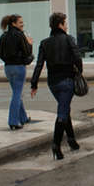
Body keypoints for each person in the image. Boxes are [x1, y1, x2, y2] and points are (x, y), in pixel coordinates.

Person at [30, 12, 83, 159]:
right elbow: (77, 58)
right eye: (65, 23)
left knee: (64, 108)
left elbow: (39, 65)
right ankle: (56, 145)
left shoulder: (44, 43)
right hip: (67, 80)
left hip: (52, 82)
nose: (67, 26)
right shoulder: (69, 39)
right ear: (60, 25)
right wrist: (79, 72)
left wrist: (34, 83)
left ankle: (71, 140)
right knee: (62, 112)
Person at [0, 14, 33, 130]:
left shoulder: (3, 36)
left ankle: (23, 117)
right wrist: (30, 44)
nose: (23, 24)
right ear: (14, 23)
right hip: (19, 67)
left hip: (8, 68)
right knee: (17, 94)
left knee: (16, 93)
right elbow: (27, 52)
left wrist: (8, 60)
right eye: (20, 22)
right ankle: (13, 121)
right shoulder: (20, 35)